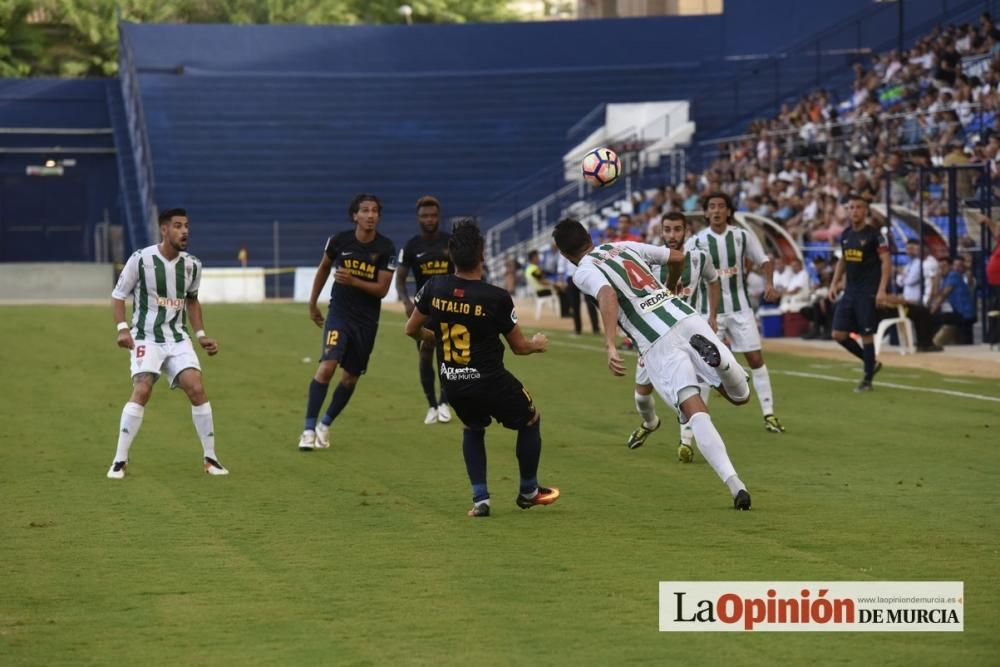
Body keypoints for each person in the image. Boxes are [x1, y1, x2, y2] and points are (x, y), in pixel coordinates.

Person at [552, 218, 753, 510]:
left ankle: (736, 485)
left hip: (656, 342)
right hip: (685, 316)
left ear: (563, 254)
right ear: (588, 237)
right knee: (740, 396)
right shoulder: (623, 246)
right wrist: (669, 286)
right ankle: (721, 366)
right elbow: (677, 257)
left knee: (695, 413)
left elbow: (607, 294)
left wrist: (610, 343)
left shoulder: (583, 271)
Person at [404, 221, 557, 517]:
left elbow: (411, 328)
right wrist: (537, 344)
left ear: (451, 254)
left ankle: (480, 500)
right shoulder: (495, 297)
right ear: (482, 255)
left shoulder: (434, 287)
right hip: (491, 380)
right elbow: (519, 347)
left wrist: (431, 338)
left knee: (473, 428)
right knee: (530, 419)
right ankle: (528, 490)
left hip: (453, 382)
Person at [107, 208, 228, 478]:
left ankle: (211, 459)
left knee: (196, 388)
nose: (184, 231)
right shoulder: (140, 259)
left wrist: (201, 335)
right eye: (177, 226)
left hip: (177, 338)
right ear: (164, 230)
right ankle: (119, 460)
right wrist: (122, 328)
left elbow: (192, 300)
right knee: (143, 388)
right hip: (145, 337)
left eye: (186, 225)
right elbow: (118, 295)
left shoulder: (193, 264)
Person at [297, 193, 397, 451]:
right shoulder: (339, 241)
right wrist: (312, 302)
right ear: (355, 215)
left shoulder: (386, 248)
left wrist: (354, 281)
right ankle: (308, 429)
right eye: (365, 210)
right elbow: (322, 269)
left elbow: (382, 290)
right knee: (327, 366)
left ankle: (325, 425)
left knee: (350, 378)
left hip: (366, 322)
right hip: (339, 315)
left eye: (375, 211)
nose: (371, 215)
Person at [626, 211, 721, 466]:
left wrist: (713, 315)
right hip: (654, 340)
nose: (672, 235)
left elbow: (714, 281)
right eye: (667, 229)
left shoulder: (700, 258)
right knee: (641, 396)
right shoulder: (649, 262)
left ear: (686, 231)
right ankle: (650, 423)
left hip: (689, 334)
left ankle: (686, 441)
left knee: (693, 383)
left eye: (677, 229)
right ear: (661, 232)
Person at [693, 192, 785, 434]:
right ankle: (695, 425)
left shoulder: (742, 236)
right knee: (704, 366)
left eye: (721, 206)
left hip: (741, 309)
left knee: (755, 359)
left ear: (729, 211)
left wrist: (769, 283)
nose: (716, 210)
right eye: (711, 206)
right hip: (709, 312)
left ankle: (769, 414)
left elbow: (765, 260)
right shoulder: (697, 240)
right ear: (705, 212)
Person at [395, 195, 453, 425]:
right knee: (426, 354)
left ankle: (444, 402)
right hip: (424, 309)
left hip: (450, 307)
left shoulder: (451, 242)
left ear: (439, 217)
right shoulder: (412, 246)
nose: (429, 219)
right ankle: (431, 405)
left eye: (433, 215)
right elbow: (400, 279)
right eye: (425, 216)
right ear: (418, 218)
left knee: (448, 356)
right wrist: (406, 302)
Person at [827, 195, 892, 392]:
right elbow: (843, 260)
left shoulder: (875, 235)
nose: (854, 211)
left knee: (866, 334)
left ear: (865, 211)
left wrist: (881, 290)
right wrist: (834, 283)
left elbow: (886, 262)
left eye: (858, 207)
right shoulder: (846, 234)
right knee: (838, 334)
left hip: (868, 292)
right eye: (851, 207)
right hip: (850, 291)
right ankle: (870, 362)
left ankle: (867, 380)